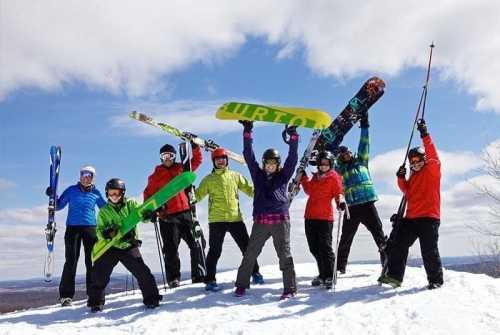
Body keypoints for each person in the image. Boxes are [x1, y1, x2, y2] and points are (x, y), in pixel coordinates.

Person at [234, 121, 298, 300]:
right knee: (250, 253)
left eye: (273, 163)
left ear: (278, 164)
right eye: (267, 163)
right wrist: (248, 132)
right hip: (261, 221)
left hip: (280, 220)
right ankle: (241, 285)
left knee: (284, 254)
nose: (270, 166)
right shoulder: (257, 175)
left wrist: (293, 137)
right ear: (263, 163)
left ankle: (290, 289)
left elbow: (292, 159)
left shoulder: (283, 176)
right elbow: (248, 155)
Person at [379, 119, 444, 289]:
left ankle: (435, 280)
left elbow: (432, 155)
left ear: (424, 160)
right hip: (412, 217)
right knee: (398, 245)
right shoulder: (413, 177)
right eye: (412, 162)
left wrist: (424, 134)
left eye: (418, 161)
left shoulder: (432, 170)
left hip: (429, 218)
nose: (415, 164)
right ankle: (394, 277)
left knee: (429, 250)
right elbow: (406, 191)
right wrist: (401, 177)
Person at [87, 178, 162, 312]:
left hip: (128, 245)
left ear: (122, 193)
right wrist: (107, 233)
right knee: (99, 274)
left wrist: (149, 216)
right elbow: (99, 230)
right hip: (111, 247)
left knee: (143, 272)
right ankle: (95, 302)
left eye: (117, 193)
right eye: (111, 193)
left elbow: (141, 215)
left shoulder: (131, 204)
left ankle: (152, 299)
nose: (114, 196)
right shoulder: (104, 211)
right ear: (107, 194)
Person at [195, 148, 263, 292]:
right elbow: (198, 196)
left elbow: (250, 190)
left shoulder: (235, 176)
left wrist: (263, 191)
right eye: (218, 159)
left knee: (247, 247)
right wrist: (190, 193)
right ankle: (210, 279)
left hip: (235, 218)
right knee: (214, 250)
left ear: (227, 160)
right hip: (217, 220)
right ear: (213, 161)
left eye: (223, 158)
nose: (221, 161)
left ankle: (255, 272)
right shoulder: (208, 179)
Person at [143, 142, 205, 287]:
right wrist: (152, 211)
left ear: (174, 156)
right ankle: (173, 278)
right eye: (164, 156)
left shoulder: (181, 169)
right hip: (167, 217)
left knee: (198, 243)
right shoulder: (154, 177)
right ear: (160, 158)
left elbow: (197, 161)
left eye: (170, 155)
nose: (167, 158)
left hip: (186, 213)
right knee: (170, 250)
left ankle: (198, 275)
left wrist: (195, 147)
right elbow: (148, 196)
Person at [46, 165, 106, 306]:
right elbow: (58, 206)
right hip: (72, 229)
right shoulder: (71, 190)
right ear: (80, 176)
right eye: (84, 174)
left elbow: (105, 208)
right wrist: (52, 195)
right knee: (71, 261)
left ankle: (93, 294)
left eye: (89, 175)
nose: (86, 177)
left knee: (91, 261)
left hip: (91, 229)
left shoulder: (96, 193)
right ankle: (66, 296)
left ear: (92, 178)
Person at [335, 113, 386, 274]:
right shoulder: (339, 171)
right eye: (342, 154)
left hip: (367, 204)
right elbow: (328, 172)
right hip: (351, 208)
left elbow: (364, 143)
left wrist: (364, 125)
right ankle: (339, 267)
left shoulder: (361, 161)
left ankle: (387, 262)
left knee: (379, 234)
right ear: (339, 158)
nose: (346, 155)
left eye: (347, 152)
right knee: (346, 238)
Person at [299, 150, 345, 289]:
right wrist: (303, 178)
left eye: (326, 164)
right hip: (310, 216)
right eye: (321, 164)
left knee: (325, 247)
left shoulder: (334, 177)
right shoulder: (315, 177)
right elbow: (309, 191)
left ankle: (330, 275)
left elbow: (338, 193)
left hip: (325, 218)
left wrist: (340, 202)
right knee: (314, 248)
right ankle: (322, 274)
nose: (323, 166)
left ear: (331, 164)